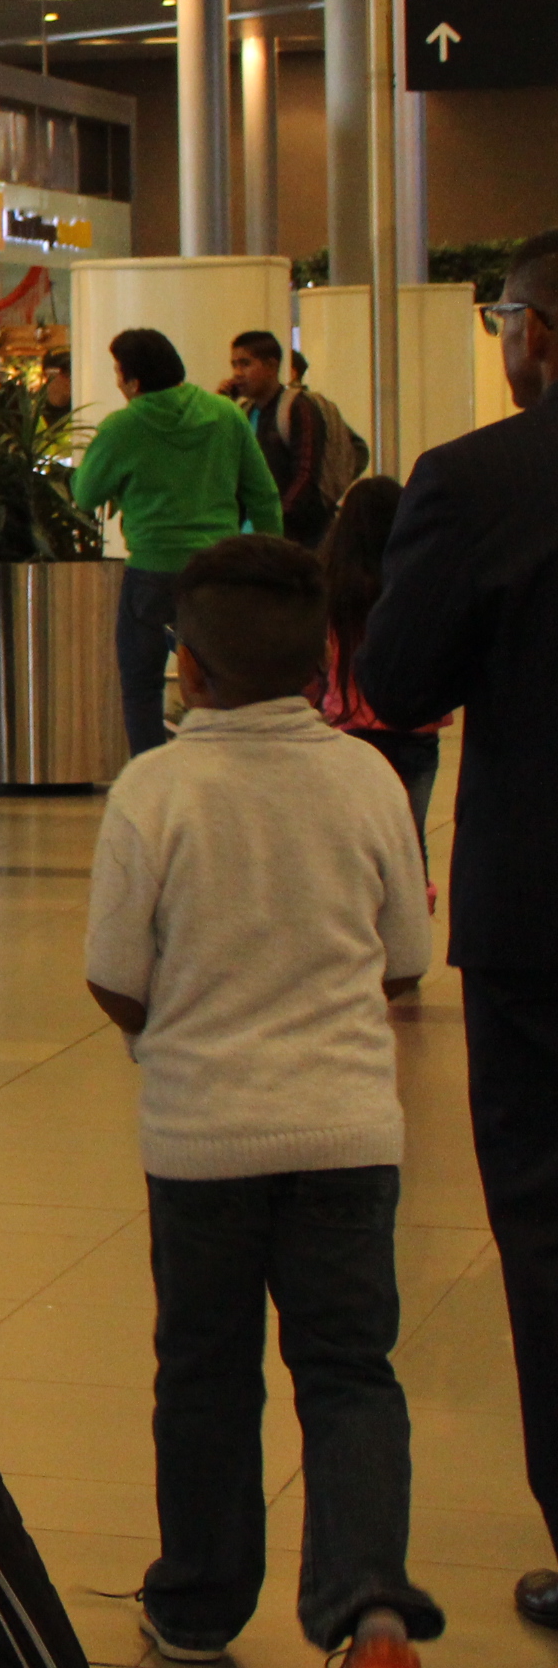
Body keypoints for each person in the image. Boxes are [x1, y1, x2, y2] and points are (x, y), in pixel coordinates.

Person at [83, 536, 439, 1668]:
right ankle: (369, 1607)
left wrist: (181, 1035)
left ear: (187, 667)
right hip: (346, 1134)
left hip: (202, 1140)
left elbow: (114, 973)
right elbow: (406, 956)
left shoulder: (156, 789)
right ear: (321, 657)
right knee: (349, 1371)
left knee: (205, 1374)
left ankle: (195, 1610)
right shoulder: (366, 779)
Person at [358, 225, 558, 1634]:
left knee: (546, 1226)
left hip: (542, 910)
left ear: (535, 336)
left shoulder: (481, 482)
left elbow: (403, 678)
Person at [70, 327, 280, 754]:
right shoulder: (225, 415)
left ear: (133, 380)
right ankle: (223, 762)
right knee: (223, 678)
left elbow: (85, 493)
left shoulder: (123, 426)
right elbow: (264, 495)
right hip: (218, 572)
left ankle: (152, 775)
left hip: (152, 570)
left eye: (117, 373)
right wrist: (270, 562)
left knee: (141, 684)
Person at [316, 477, 444, 864]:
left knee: (350, 847)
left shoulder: (328, 585)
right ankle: (413, 915)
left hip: (348, 730)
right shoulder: (420, 582)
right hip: (413, 731)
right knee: (409, 843)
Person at [228, 328, 336, 547]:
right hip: (254, 532)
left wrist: (277, 521)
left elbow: (305, 474)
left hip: (296, 536)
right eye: (234, 365)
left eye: (246, 364)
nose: (238, 373)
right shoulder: (245, 411)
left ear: (271, 366)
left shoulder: (298, 407)